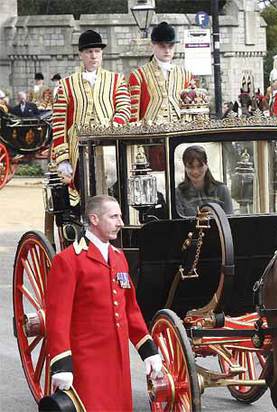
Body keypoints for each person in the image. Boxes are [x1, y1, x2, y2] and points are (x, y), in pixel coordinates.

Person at [46, 195, 163, 411]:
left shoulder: (118, 258)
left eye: (120, 216)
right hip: (86, 363)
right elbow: (57, 319)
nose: (120, 222)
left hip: (118, 362)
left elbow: (130, 310)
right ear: (94, 219)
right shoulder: (68, 260)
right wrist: (61, 365)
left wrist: (149, 350)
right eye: (114, 217)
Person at [51, 29, 130, 206]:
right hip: (78, 151)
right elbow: (58, 123)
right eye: (89, 52)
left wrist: (112, 129)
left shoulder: (116, 79)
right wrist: (63, 158)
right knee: (83, 196)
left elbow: (125, 108)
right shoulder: (66, 84)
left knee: (114, 193)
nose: (94, 56)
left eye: (97, 51)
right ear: (81, 55)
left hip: (110, 150)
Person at [128, 22, 194, 123]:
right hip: (150, 133)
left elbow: (190, 108)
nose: (167, 50)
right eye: (162, 46)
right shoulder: (138, 75)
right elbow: (134, 112)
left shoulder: (186, 74)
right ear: (152, 46)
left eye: (170, 46)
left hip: (180, 131)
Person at [176, 145, 233, 217]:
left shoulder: (222, 190)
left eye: (200, 166)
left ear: (206, 165)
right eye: (191, 167)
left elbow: (230, 220)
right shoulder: (178, 193)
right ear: (185, 167)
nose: (195, 171)